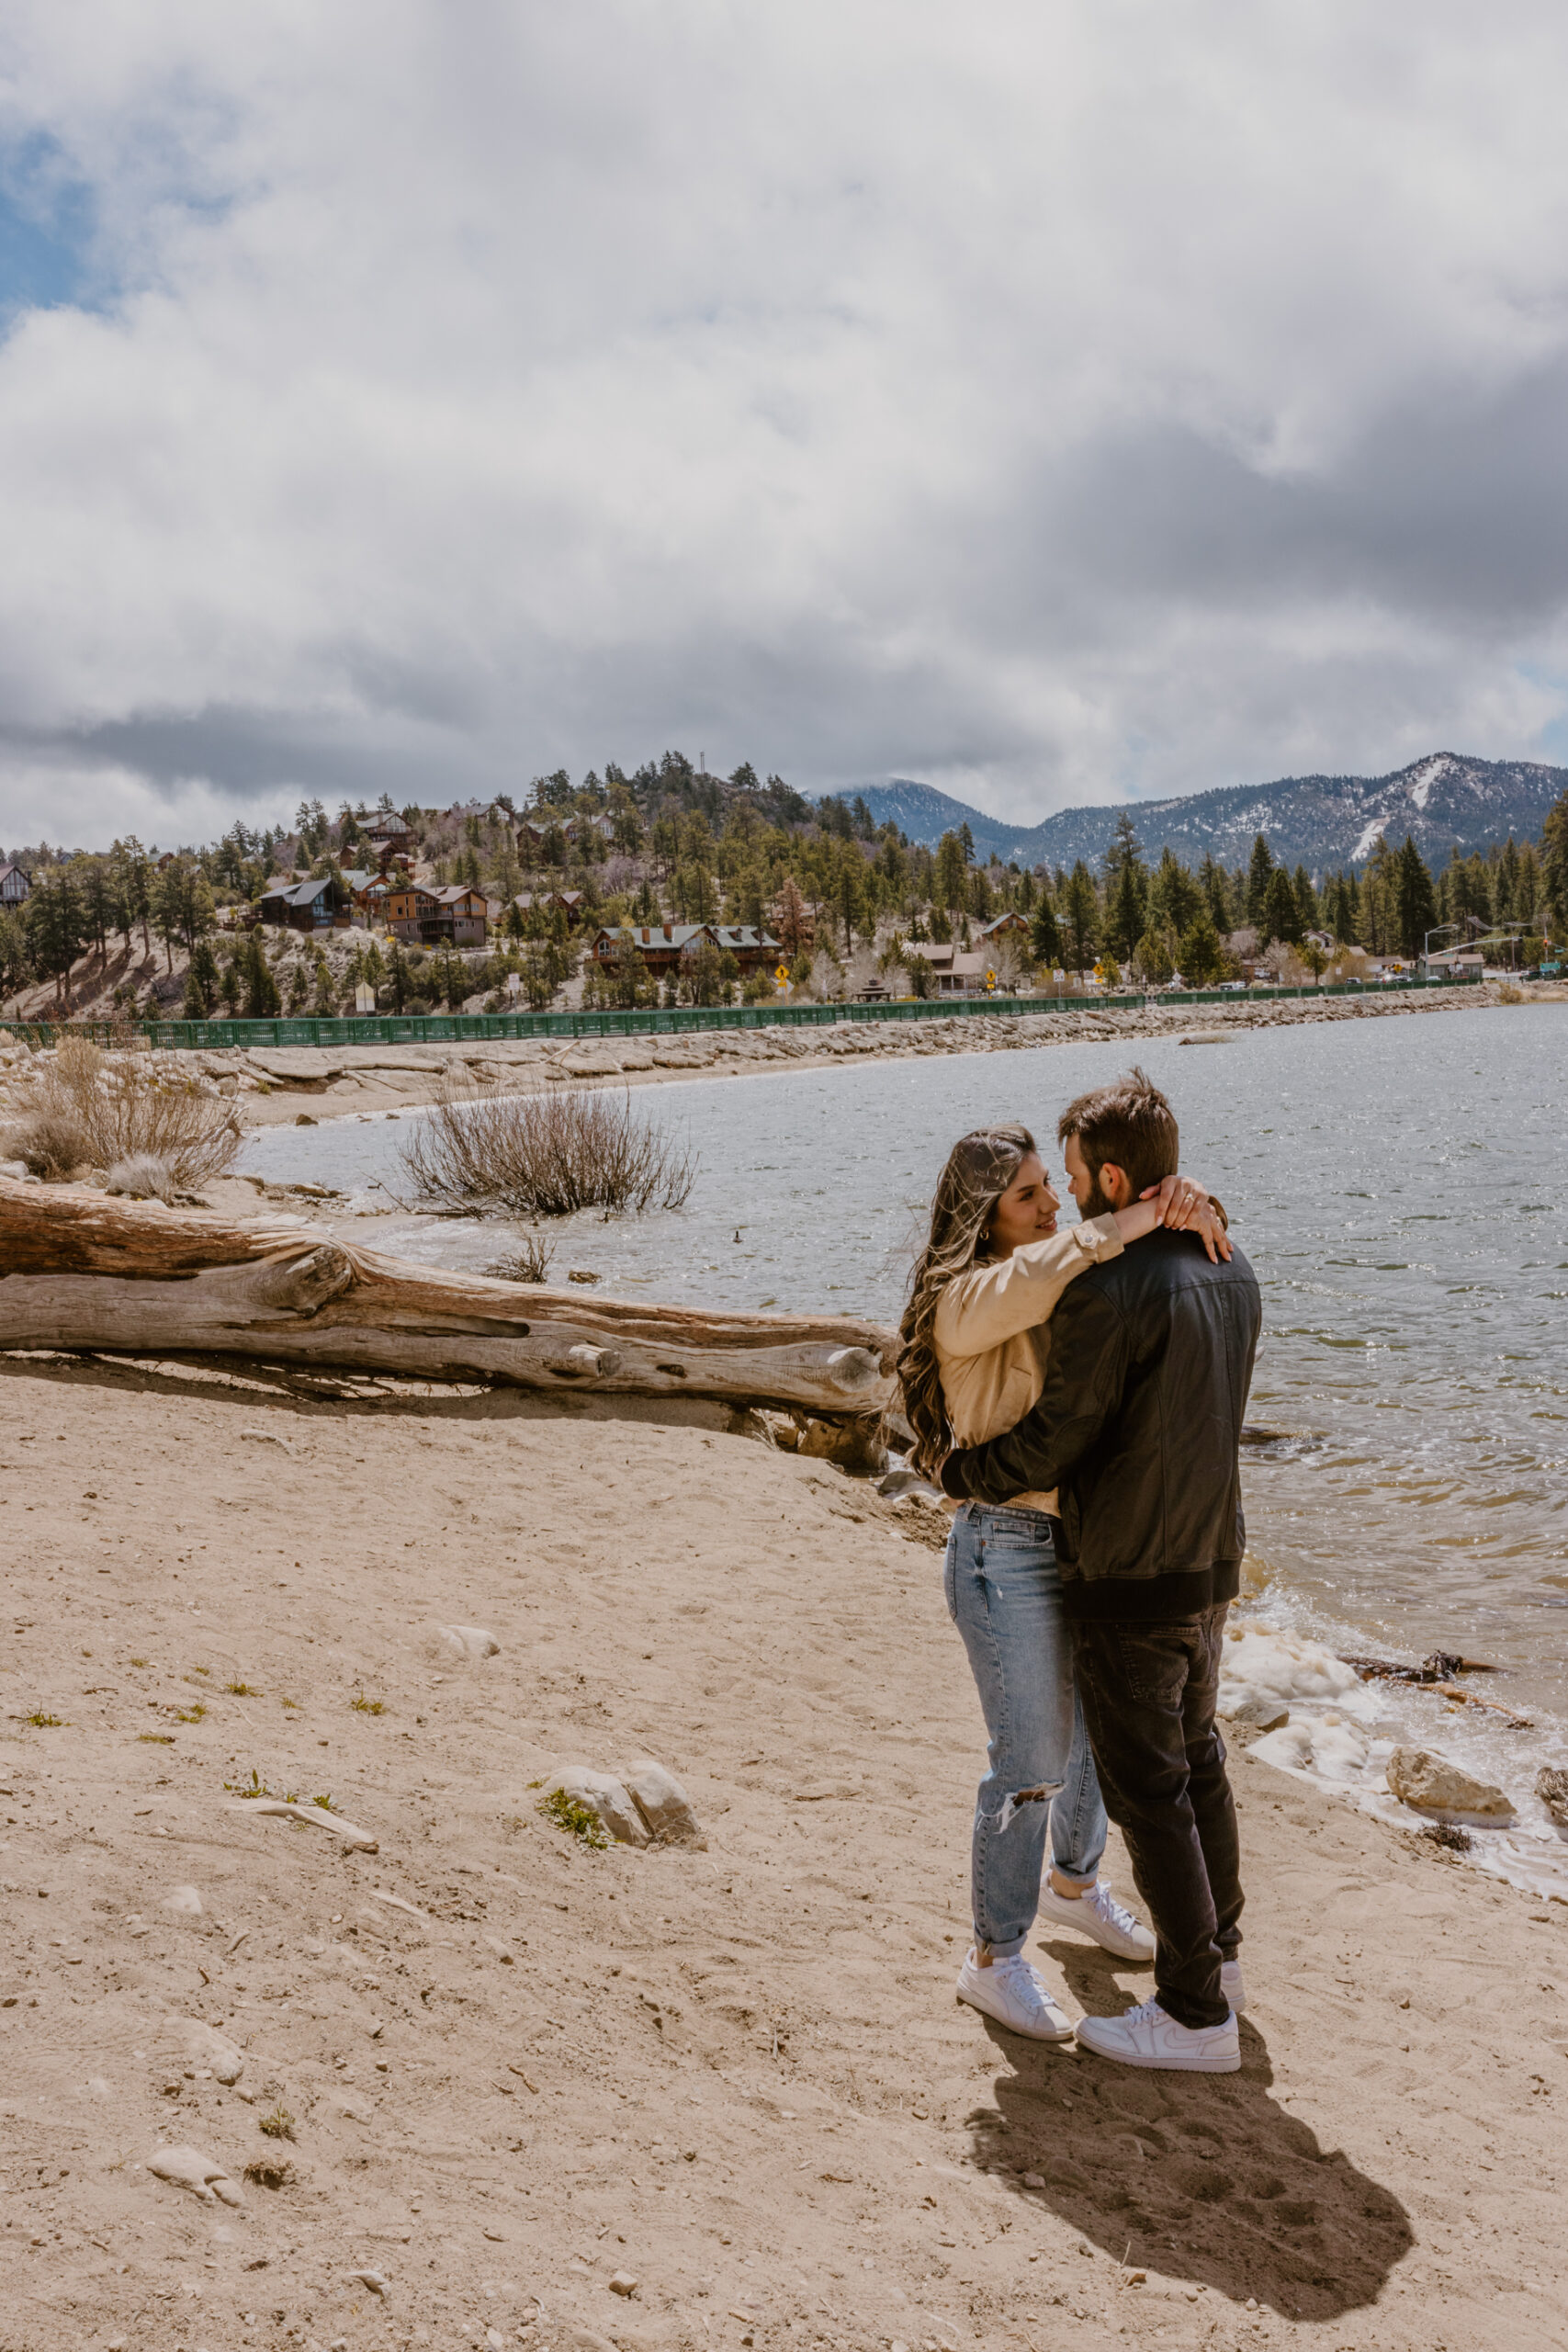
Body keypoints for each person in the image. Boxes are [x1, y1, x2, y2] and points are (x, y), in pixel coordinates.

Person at [940, 1071, 1261, 2074]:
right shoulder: (1220, 1260)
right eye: (1034, 1190)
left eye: (1065, 1180)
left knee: (1139, 1774)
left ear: (1110, 1179)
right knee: (1109, 1762)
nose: (1058, 1199)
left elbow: (1065, 1434)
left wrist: (961, 1473)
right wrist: (1171, 1206)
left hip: (1124, 1561)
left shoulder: (1109, 1278)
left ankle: (1164, 1970)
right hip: (1142, 1553)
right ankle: (1030, 1955)